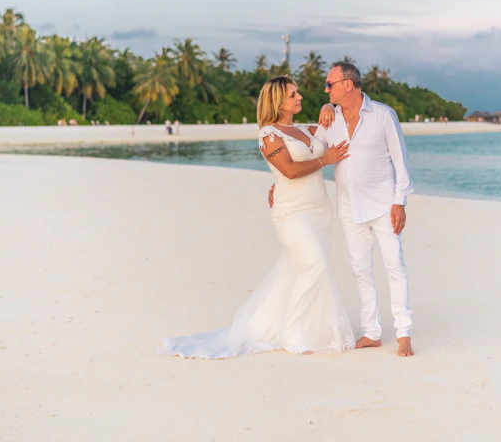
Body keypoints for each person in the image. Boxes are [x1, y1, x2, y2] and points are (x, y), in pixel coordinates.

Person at [160, 76, 354, 359]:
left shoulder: (305, 130)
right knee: (316, 264)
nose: (299, 98)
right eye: (292, 95)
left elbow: (343, 124)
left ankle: (314, 329)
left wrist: (328, 104)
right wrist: (326, 160)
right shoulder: (269, 134)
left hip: (320, 210)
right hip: (291, 212)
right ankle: (293, 332)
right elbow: (287, 170)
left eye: (298, 93)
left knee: (297, 270)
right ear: (277, 102)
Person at [270, 62, 415, 357]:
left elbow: (401, 161)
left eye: (329, 85)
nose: (325, 89)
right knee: (361, 270)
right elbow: (313, 151)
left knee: (394, 266)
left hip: (384, 205)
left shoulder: (384, 115)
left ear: (348, 84)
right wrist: (279, 183)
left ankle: (404, 332)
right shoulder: (329, 119)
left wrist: (399, 202)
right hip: (349, 207)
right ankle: (372, 332)